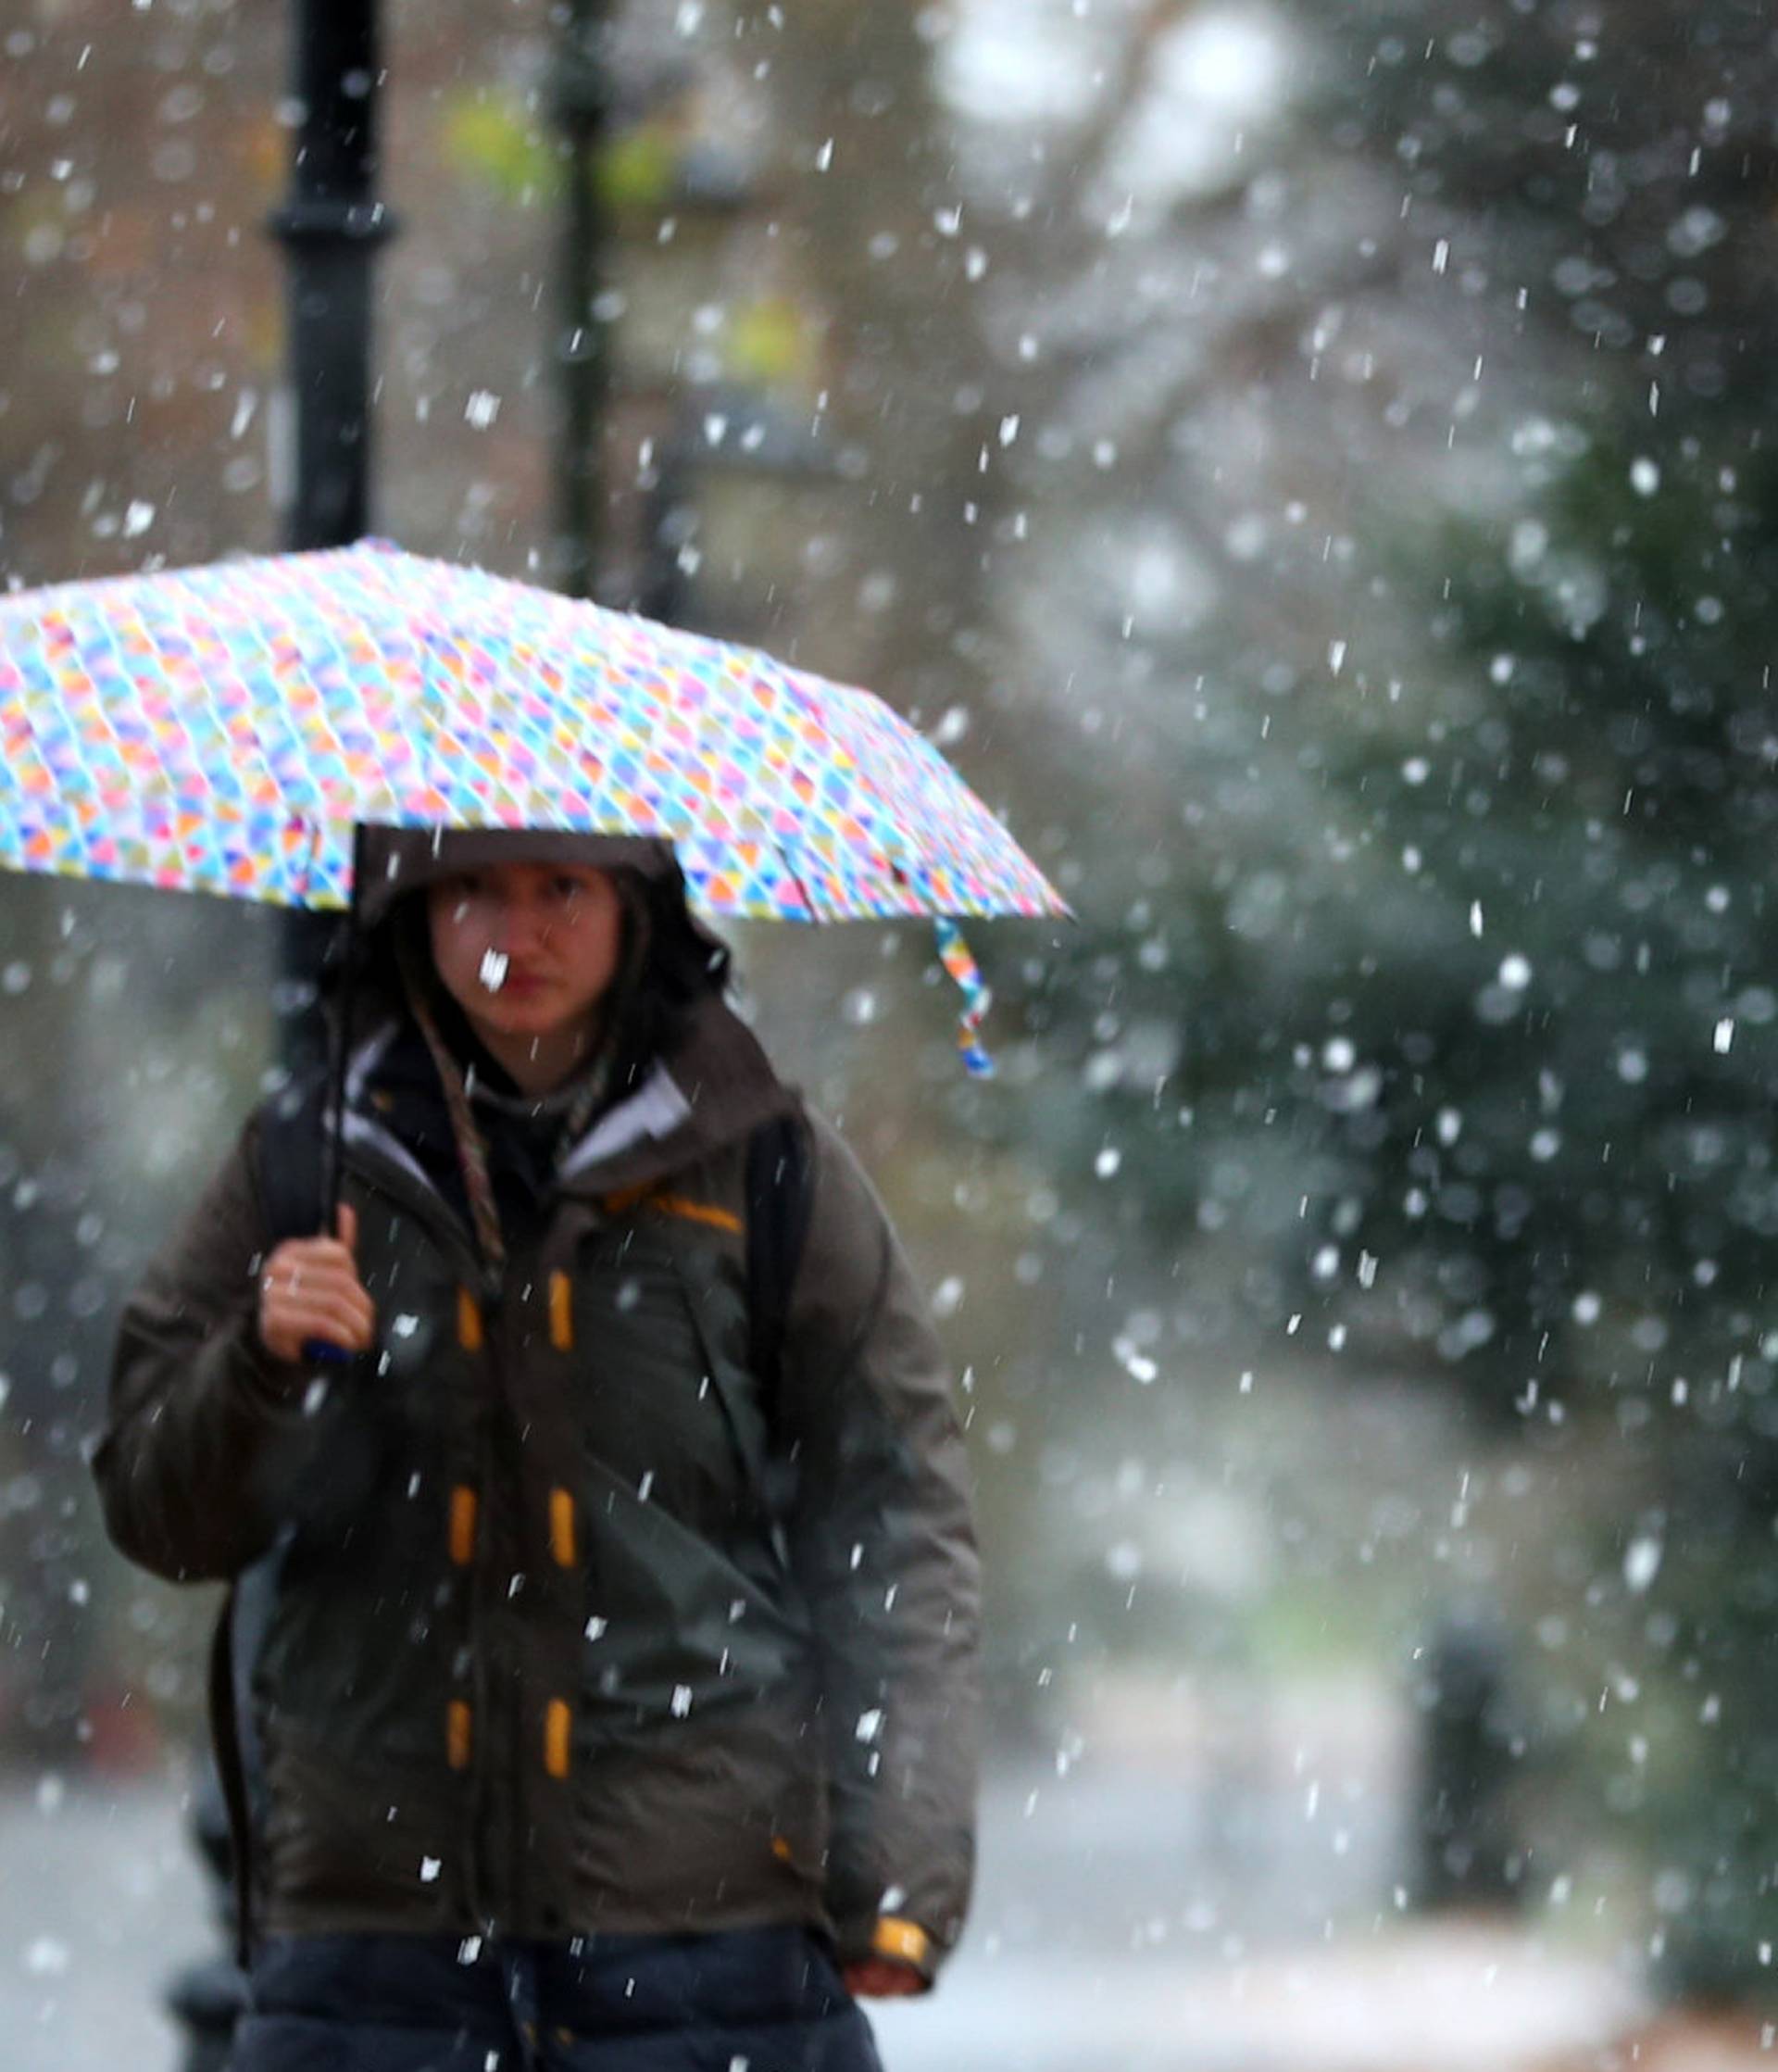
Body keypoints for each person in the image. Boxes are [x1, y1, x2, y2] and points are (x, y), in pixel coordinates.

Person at [94, 827, 980, 2072]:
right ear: (410, 904)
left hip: (703, 1944)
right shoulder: (303, 1164)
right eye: (472, 890)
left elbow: (895, 1514)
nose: (518, 933)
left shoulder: (764, 1161)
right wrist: (261, 1359)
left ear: (635, 908)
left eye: (560, 888)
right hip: (373, 1959)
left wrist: (896, 1864)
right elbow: (158, 1511)